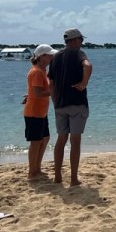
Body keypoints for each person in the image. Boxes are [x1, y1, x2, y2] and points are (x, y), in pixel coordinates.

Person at [48, 28, 93, 186]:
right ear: (75, 40)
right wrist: (84, 83)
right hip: (77, 103)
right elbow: (88, 66)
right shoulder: (78, 54)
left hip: (60, 104)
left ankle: (58, 176)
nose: (82, 43)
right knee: (75, 141)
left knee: (61, 139)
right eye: (81, 39)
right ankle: (73, 178)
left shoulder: (55, 57)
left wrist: (55, 101)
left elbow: (51, 84)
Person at [24, 44, 56, 181]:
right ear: (41, 57)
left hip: (41, 112)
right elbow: (38, 93)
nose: (52, 57)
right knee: (36, 142)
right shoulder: (37, 71)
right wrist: (55, 91)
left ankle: (37, 169)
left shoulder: (42, 70)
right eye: (50, 55)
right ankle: (32, 172)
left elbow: (35, 91)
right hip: (34, 112)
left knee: (45, 138)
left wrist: (29, 95)